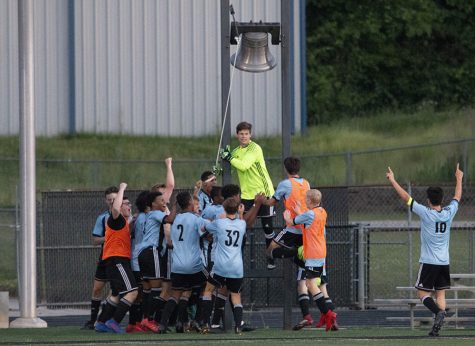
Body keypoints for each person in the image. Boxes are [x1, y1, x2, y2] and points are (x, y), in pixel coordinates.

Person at [386, 164, 463, 337]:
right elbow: (457, 196)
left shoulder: (426, 213)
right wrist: (459, 178)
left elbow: (406, 197)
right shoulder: (449, 212)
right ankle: (437, 327)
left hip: (429, 261)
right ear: (442, 200)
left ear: (428, 200)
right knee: (440, 294)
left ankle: (438, 314)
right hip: (444, 262)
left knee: (422, 293)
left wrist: (393, 180)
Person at [220, 121, 276, 269]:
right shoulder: (237, 151)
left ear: (250, 135)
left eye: (246, 134)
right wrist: (222, 168)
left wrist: (229, 158)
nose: (244, 136)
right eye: (241, 134)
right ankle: (237, 256)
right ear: (237, 135)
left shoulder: (255, 148)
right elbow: (233, 167)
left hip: (263, 192)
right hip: (246, 194)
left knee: (267, 227)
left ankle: (271, 256)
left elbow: (243, 166)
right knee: (242, 225)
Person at [283, 189, 338, 331]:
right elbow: (308, 222)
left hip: (312, 253)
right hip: (321, 252)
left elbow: (291, 222)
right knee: (312, 284)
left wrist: (287, 215)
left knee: (311, 285)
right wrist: (300, 211)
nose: (304, 201)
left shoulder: (309, 214)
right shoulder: (322, 211)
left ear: (310, 201)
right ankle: (326, 314)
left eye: (306, 199)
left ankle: (328, 313)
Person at [157, 191, 209, 333]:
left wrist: (174, 205)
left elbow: (169, 219)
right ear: (191, 203)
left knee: (176, 295)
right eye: (193, 200)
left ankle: (165, 324)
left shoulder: (176, 219)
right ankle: (197, 321)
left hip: (178, 265)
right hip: (194, 265)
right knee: (208, 285)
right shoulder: (196, 219)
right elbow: (208, 231)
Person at [94, 183, 138, 333]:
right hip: (117, 260)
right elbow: (115, 209)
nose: (129, 206)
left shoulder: (124, 222)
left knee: (116, 294)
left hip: (114, 260)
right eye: (126, 203)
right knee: (132, 292)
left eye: (129, 203)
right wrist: (122, 189)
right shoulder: (116, 219)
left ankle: (101, 323)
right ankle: (114, 321)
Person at [137, 191, 176, 332]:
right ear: (153, 203)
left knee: (147, 290)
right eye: (161, 200)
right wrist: (177, 207)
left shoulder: (148, 215)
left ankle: (145, 319)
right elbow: (170, 219)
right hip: (151, 251)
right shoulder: (156, 213)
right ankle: (149, 320)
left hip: (142, 253)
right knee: (157, 288)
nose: (164, 202)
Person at [81, 186, 118, 330]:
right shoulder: (102, 218)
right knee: (97, 289)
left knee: (115, 291)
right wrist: (109, 237)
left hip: (120, 258)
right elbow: (95, 240)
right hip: (105, 257)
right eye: (109, 200)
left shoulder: (125, 216)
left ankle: (104, 319)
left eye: (114, 199)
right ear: (106, 201)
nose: (111, 202)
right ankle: (92, 320)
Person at [264, 156, 310, 269]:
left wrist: (261, 201)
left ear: (285, 168)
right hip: (305, 226)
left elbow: (272, 202)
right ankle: (309, 267)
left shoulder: (285, 184)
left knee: (270, 249)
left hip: (292, 226)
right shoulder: (306, 183)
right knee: (298, 258)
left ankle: (271, 261)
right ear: (298, 168)